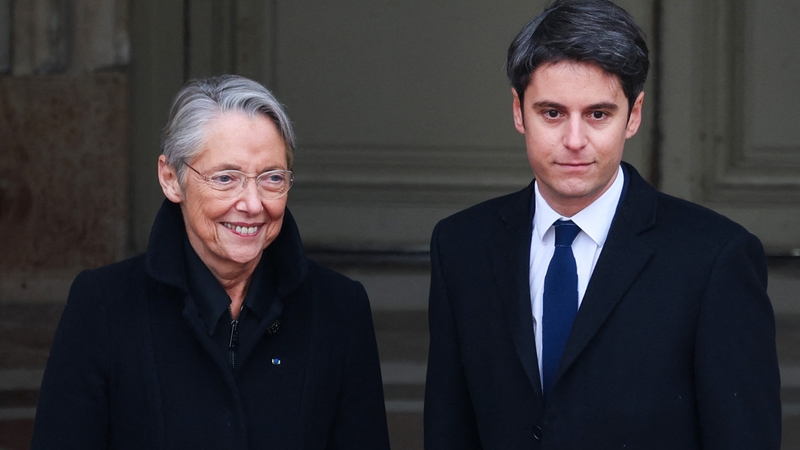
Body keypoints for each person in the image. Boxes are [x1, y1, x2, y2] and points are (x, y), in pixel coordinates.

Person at [423, 1, 781, 448]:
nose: (574, 141)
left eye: (598, 114)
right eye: (552, 113)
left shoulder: (714, 257)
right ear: (518, 111)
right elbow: (449, 428)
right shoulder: (462, 246)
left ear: (634, 115)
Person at [32, 75, 391, 449]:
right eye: (225, 178)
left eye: (271, 178)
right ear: (171, 179)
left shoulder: (339, 309)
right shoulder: (104, 306)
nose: (252, 203)